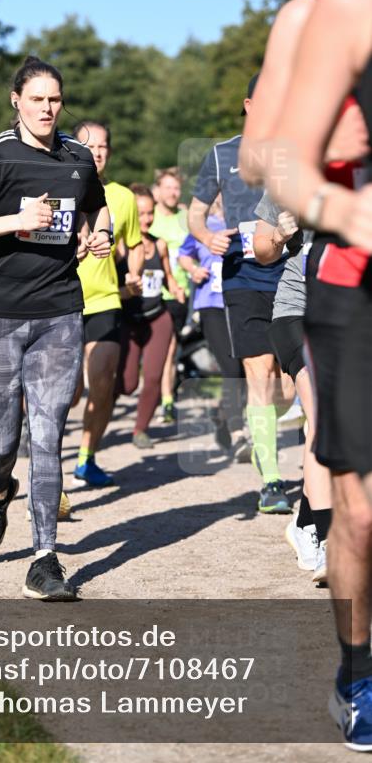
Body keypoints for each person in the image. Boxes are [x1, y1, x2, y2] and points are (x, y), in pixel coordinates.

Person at [262, 0, 372, 751]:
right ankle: (356, 665)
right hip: (351, 277)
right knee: (363, 511)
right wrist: (343, 203)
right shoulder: (322, 11)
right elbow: (271, 152)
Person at [0, 55, 110, 600]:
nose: (46, 107)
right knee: (3, 435)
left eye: (55, 99)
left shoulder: (79, 156)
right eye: (36, 98)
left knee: (49, 431)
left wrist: (97, 235)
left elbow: (95, 209)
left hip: (59, 310)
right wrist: (17, 220)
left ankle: (45, 559)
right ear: (16, 101)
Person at [188, 77, 296, 514]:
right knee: (259, 371)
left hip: (291, 275)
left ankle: (262, 435)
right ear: (249, 104)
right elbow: (197, 214)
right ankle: (271, 480)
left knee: (286, 386)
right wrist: (206, 237)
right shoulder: (221, 154)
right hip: (242, 276)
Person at [253, 197, 331, 584]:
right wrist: (282, 235)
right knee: (323, 417)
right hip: (297, 314)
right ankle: (333, 543)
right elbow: (261, 250)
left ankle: (306, 522)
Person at [70, 121, 143, 487]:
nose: (96, 152)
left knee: (102, 382)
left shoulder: (124, 197)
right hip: (62, 302)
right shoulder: (61, 186)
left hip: (106, 300)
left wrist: (133, 271)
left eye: (103, 146)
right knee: (69, 393)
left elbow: (136, 242)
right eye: (89, 146)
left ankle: (86, 458)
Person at [178, 195, 247, 454]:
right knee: (230, 366)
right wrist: (193, 270)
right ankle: (238, 431)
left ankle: (221, 415)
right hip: (211, 304)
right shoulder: (203, 225)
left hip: (240, 303)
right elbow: (184, 255)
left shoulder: (246, 224)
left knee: (244, 368)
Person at [116, 184, 178, 448]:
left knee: (153, 377)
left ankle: (141, 429)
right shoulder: (118, 249)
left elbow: (169, 279)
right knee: (128, 384)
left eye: (150, 213)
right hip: (128, 321)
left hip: (157, 318)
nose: (146, 219)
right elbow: (108, 289)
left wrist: (175, 288)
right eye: (140, 214)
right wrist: (126, 291)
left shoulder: (160, 246)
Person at [149, 169, 189, 422]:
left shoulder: (186, 217)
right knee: (158, 348)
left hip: (178, 292)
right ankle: (157, 395)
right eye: (168, 187)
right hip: (151, 291)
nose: (173, 193)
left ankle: (167, 400)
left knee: (171, 347)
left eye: (176, 188)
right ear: (157, 190)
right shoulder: (147, 216)